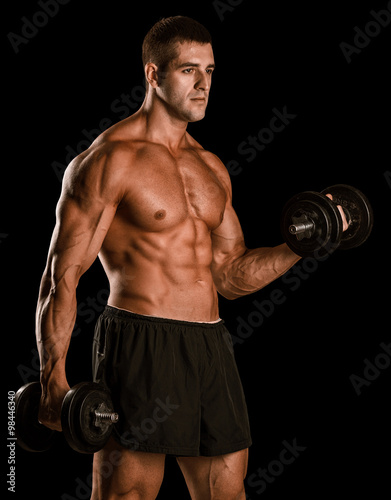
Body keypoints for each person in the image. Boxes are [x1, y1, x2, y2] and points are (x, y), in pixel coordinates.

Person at [36, 16, 347, 500]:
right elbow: (62, 276)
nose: (203, 84)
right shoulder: (109, 160)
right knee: (128, 495)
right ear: (153, 74)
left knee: (227, 492)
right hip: (142, 340)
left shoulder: (210, 167)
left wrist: (303, 245)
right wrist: (52, 377)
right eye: (188, 70)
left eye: (210, 70)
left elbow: (230, 274)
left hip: (210, 346)